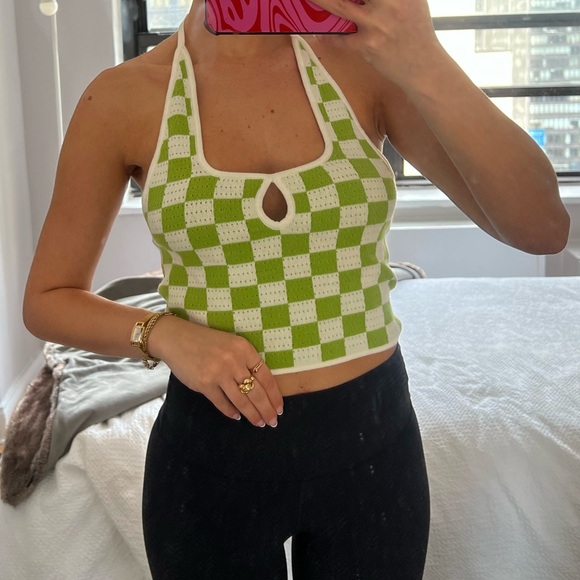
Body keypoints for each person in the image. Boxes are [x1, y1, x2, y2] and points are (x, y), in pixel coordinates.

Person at [23, 0, 569, 578]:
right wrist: (166, 334)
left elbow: (542, 228)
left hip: (373, 448)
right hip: (208, 461)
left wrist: (426, 57)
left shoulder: (365, 65)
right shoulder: (123, 98)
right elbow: (48, 298)